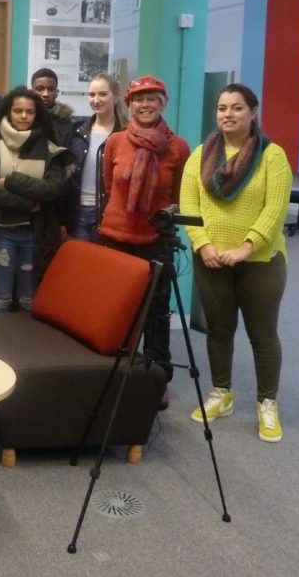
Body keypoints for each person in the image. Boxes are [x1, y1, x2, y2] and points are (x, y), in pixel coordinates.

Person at [179, 84, 291, 442]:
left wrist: (246, 246)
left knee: (263, 336)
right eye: (222, 108)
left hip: (260, 261)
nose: (228, 114)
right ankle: (221, 394)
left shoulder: (272, 156)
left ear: (252, 112)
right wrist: (203, 244)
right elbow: (189, 205)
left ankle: (267, 404)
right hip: (211, 259)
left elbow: (275, 210)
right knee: (219, 330)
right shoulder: (200, 155)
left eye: (237, 108)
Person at [99, 75, 190, 406]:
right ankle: (115, 371)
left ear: (163, 103)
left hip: (155, 239)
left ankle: (156, 378)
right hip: (116, 237)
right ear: (129, 104)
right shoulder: (115, 142)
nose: (145, 104)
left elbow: (178, 196)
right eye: (139, 99)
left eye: (152, 99)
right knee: (118, 308)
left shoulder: (178, 147)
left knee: (157, 312)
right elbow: (110, 187)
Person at [0, 86, 74, 313]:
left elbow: (51, 189)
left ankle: (25, 347)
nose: (24, 116)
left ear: (38, 114)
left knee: (29, 299)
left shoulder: (49, 148)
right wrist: (30, 203)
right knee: (1, 298)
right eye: (18, 111)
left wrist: (10, 181)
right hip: (2, 232)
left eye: (30, 111)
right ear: (8, 112)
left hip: (34, 234)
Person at [66, 73, 126, 241]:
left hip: (108, 215)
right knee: (80, 265)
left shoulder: (125, 133)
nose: (96, 99)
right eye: (92, 95)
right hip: (77, 214)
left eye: (102, 94)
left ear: (116, 96)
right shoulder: (77, 131)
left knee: (104, 265)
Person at [30, 67, 75, 148]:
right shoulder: (24, 118)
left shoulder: (66, 123)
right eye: (40, 89)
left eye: (50, 89)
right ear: (31, 92)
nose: (45, 94)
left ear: (56, 92)